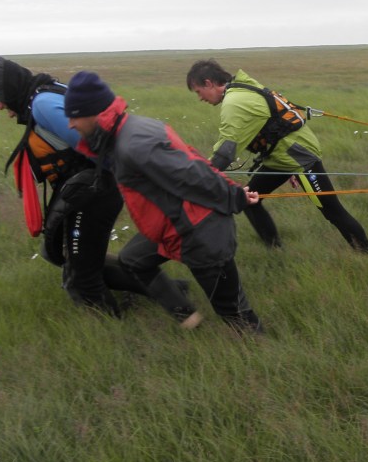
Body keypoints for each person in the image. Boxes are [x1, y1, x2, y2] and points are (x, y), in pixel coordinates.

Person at [64, 71, 264, 334]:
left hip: (203, 233)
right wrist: (233, 191)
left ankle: (258, 347)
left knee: (234, 313)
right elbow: (192, 160)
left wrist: (234, 196)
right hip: (174, 224)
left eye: (74, 116)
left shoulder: (134, 144)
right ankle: (188, 319)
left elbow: (194, 173)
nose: (70, 125)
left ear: (92, 113)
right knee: (133, 259)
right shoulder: (129, 129)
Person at [0, 56, 164, 318]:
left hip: (93, 194)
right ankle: (165, 290)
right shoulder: (44, 94)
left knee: (80, 276)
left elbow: (99, 146)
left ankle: (109, 328)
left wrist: (142, 181)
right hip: (90, 191)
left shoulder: (42, 104)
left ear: (8, 89)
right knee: (71, 258)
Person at [185, 59, 368, 254]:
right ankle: (276, 252)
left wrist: (202, 177)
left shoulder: (235, 102)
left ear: (209, 83)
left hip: (298, 157)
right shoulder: (242, 87)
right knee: (251, 200)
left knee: (332, 210)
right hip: (281, 158)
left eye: (199, 91)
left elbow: (226, 151)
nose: (200, 98)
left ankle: (367, 255)